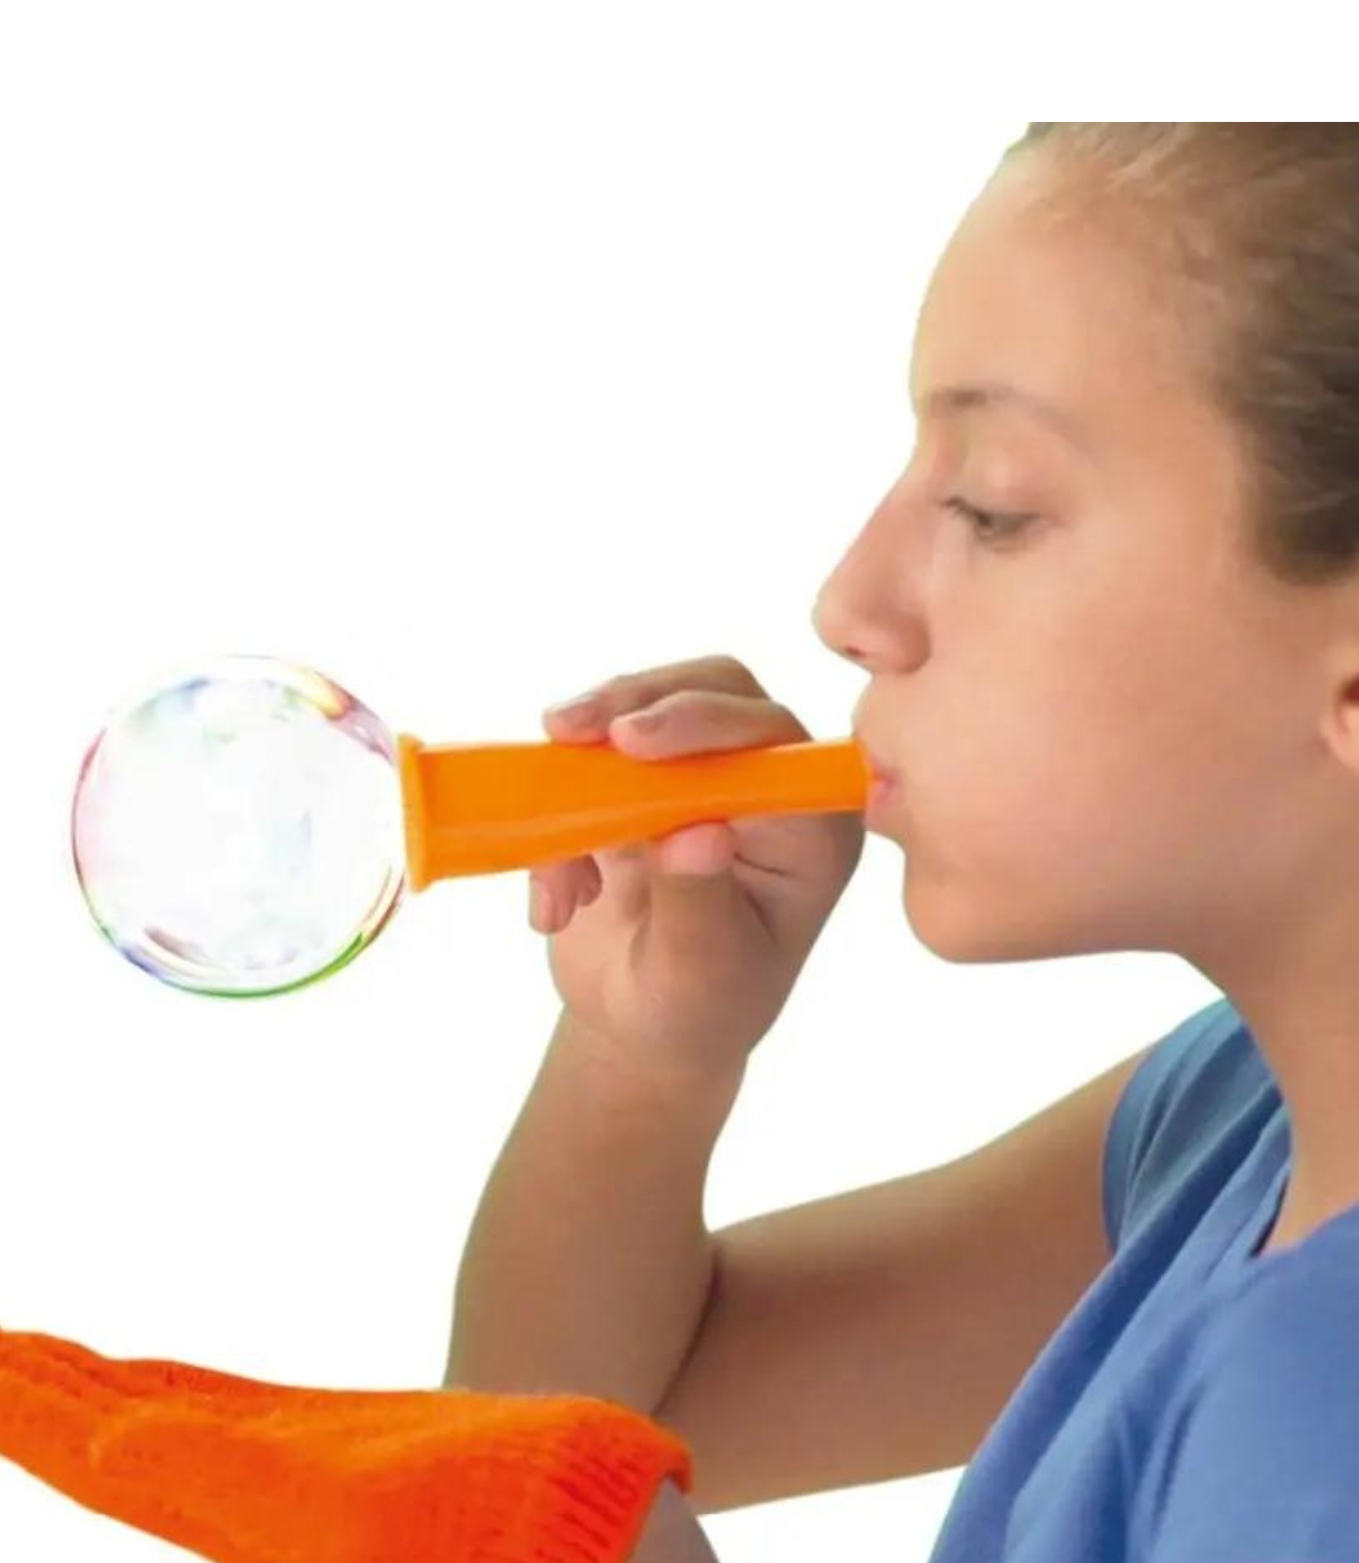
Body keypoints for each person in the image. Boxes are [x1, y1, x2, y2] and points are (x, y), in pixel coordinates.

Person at [444, 122, 1359, 1561]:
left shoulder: (1317, 1434)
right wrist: (649, 1058)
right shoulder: (1243, 1117)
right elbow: (593, 1436)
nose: (850, 603)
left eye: (992, 509)